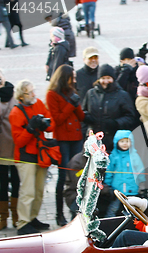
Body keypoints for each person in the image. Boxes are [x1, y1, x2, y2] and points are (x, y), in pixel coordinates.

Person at [9, 79, 54, 235]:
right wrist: (30, 128)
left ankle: (32, 217)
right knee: (27, 191)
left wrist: (45, 124)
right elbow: (19, 141)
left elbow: (51, 123)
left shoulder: (38, 104)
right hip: (25, 156)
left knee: (39, 190)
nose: (34, 94)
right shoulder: (16, 112)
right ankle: (23, 222)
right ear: (22, 95)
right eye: (30, 91)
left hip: (40, 154)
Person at [46, 64, 85, 226]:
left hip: (76, 138)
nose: (74, 81)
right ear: (65, 78)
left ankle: (74, 210)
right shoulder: (52, 95)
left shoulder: (71, 92)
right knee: (63, 176)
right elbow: (58, 119)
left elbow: (81, 117)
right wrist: (71, 104)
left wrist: (76, 104)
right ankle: (58, 213)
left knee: (77, 176)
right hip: (63, 140)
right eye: (72, 78)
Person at [82, 64, 136, 153]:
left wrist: (116, 123)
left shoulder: (122, 95)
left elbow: (130, 117)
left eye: (108, 78)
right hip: (94, 139)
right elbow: (84, 112)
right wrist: (88, 118)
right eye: (103, 78)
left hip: (114, 140)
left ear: (113, 79)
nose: (106, 81)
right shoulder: (90, 93)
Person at [104, 130, 146, 217]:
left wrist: (142, 186)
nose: (125, 144)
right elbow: (109, 171)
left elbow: (140, 171)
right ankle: (109, 223)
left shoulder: (134, 156)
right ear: (117, 142)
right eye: (122, 141)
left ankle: (133, 224)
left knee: (132, 210)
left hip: (132, 189)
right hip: (117, 190)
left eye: (127, 141)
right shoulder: (113, 156)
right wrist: (107, 185)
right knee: (113, 209)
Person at [0, 69, 19, 230]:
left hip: (15, 149)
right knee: (2, 184)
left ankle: (15, 215)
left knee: (16, 182)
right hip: (1, 151)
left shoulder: (13, 96)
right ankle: (3, 216)